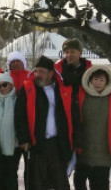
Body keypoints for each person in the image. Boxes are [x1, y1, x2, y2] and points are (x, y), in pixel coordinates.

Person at [15, 56, 80, 190]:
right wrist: (23, 138)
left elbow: (72, 116)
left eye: (41, 72)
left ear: (51, 73)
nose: (37, 75)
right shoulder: (28, 89)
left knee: (60, 182)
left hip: (57, 144)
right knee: (37, 183)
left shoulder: (62, 90)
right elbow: (19, 116)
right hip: (37, 143)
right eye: (36, 71)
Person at [74, 64, 111, 190]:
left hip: (104, 152)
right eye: (95, 79)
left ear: (107, 81)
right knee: (79, 181)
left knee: (100, 184)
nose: (98, 83)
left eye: (102, 80)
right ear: (90, 80)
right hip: (84, 150)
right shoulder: (81, 96)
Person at [0, 72, 19, 190]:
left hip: (13, 149)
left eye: (4, 84)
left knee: (10, 179)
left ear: (11, 85)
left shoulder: (18, 102)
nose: (1, 88)